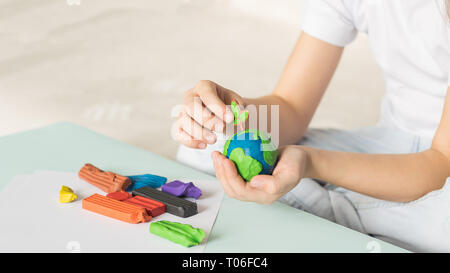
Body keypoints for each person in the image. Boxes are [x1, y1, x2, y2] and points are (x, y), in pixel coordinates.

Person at [172, 0, 450, 252]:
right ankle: (359, 217)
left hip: (442, 163)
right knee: (206, 148)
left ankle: (335, 210)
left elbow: (440, 163)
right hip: (391, 141)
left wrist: (308, 164)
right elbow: (291, 107)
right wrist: (225, 116)